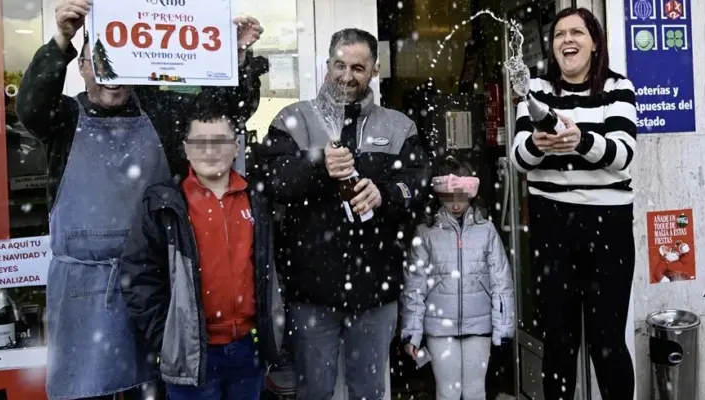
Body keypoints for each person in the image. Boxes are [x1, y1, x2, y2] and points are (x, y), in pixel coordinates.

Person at [15, 0, 264, 398]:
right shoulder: (63, 118)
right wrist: (61, 39)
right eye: (98, 63)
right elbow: (30, 108)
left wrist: (236, 56)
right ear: (81, 68)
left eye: (119, 64)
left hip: (153, 285)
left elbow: (222, 113)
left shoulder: (161, 114)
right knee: (86, 390)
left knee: (154, 388)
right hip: (83, 291)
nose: (110, 76)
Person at [258, 28, 430, 399]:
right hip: (311, 292)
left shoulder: (398, 126)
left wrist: (386, 195)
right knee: (314, 392)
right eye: (340, 65)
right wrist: (318, 166)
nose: (346, 76)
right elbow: (274, 182)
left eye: (358, 67)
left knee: (369, 391)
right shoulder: (293, 118)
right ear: (327, 65)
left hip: (375, 292)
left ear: (374, 70)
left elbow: (418, 188)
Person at [120, 91, 283, 400]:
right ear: (186, 148)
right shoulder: (165, 204)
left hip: (247, 351)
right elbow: (138, 277)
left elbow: (272, 270)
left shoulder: (257, 200)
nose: (209, 151)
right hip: (192, 354)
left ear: (236, 147)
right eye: (199, 142)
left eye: (220, 141)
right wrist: (168, 337)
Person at [509, 7, 637, 400]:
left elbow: (623, 154)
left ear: (594, 42)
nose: (567, 40)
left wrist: (581, 140)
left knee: (607, 341)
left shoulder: (618, 88)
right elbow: (519, 159)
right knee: (559, 342)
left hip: (608, 226)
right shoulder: (536, 91)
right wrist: (538, 144)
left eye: (577, 32)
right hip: (551, 226)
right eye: (560, 34)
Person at [400, 156, 514, 400]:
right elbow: (415, 287)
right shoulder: (426, 232)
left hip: (479, 326)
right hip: (440, 327)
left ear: (471, 193)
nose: (455, 203)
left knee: (475, 392)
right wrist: (412, 332)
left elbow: (501, 282)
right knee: (448, 392)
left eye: (461, 195)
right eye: (449, 196)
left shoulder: (486, 231)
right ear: (439, 194)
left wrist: (503, 328)